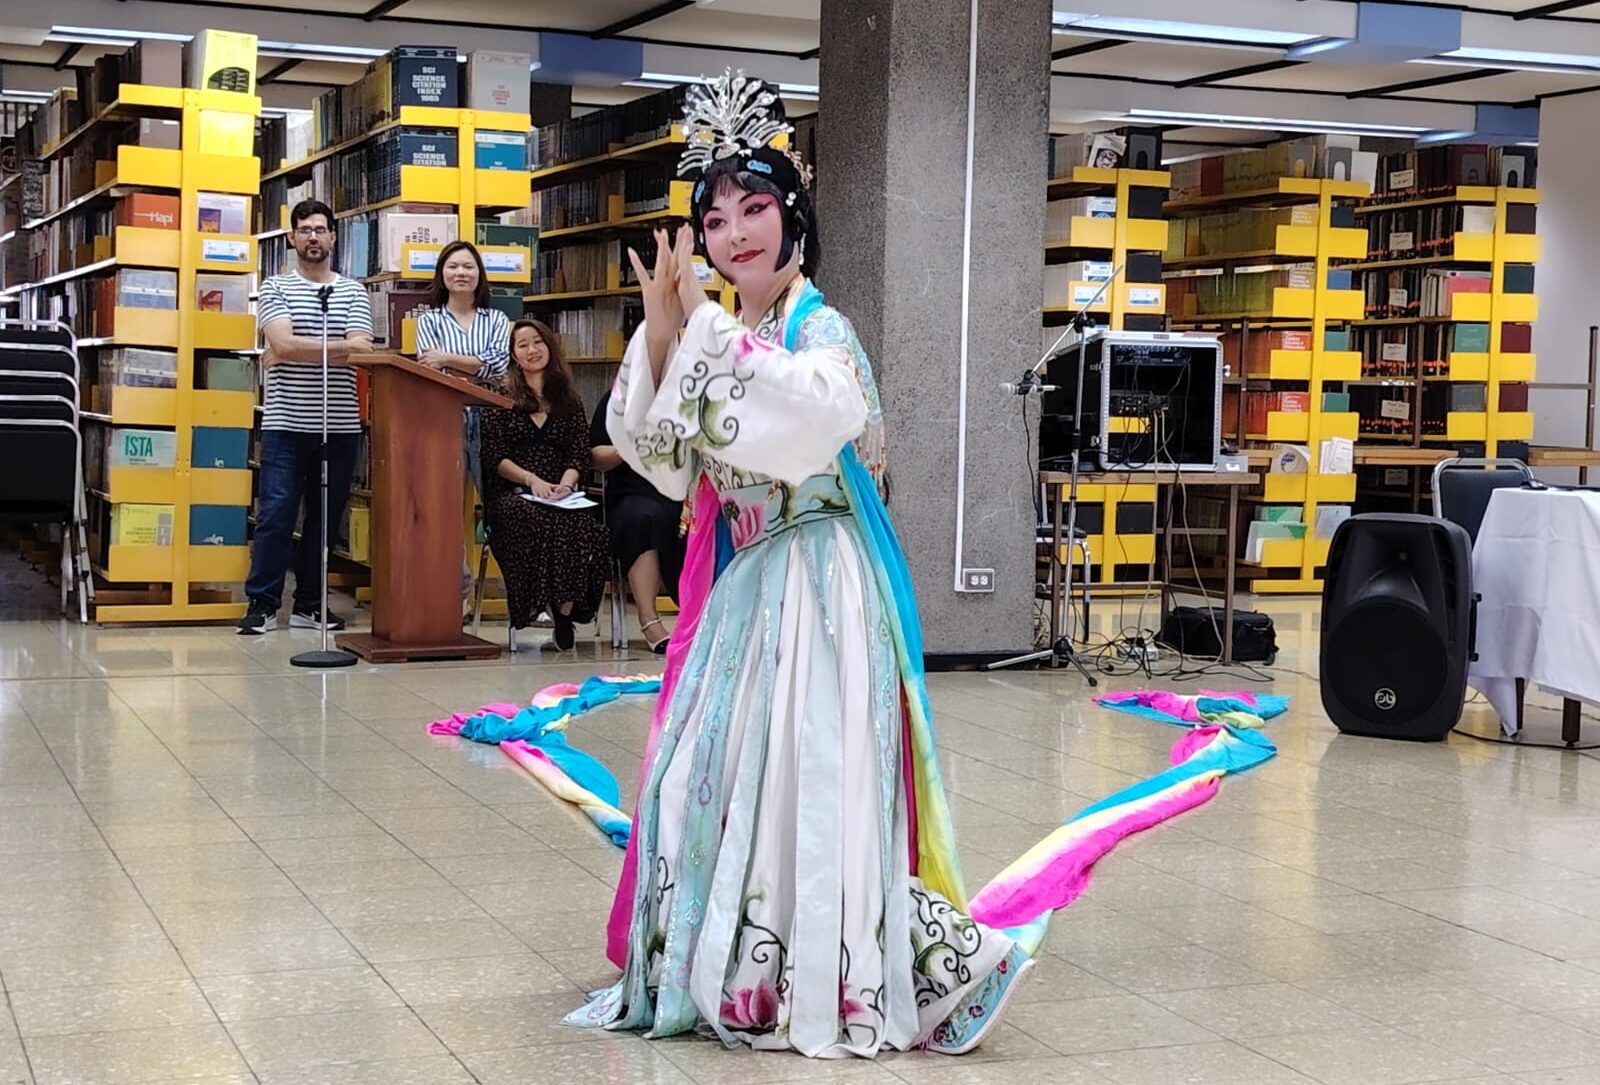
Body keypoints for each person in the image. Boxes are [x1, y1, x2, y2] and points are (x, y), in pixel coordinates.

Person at [567, 73, 1031, 1058]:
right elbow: (662, 455)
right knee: (709, 773)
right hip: (750, 582)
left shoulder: (820, 327)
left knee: (811, 774)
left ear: (793, 220)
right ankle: (740, 958)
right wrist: (658, 341)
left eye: (755, 209)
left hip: (819, 577)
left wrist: (701, 334)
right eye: (716, 218)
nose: (735, 234)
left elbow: (820, 417)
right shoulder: (721, 327)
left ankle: (813, 964)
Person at [238, 198, 374, 635]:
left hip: (339, 425)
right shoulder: (275, 287)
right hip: (285, 424)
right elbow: (289, 341)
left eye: (320, 229)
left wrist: (294, 348)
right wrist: (327, 348)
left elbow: (362, 348)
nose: (313, 237)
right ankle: (261, 604)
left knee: (325, 518)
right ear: (293, 238)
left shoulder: (352, 290)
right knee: (277, 513)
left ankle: (311, 605)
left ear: (333, 237)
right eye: (305, 230)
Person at [480, 319, 610, 649]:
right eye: (522, 345)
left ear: (550, 347)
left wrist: (565, 486)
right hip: (513, 489)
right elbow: (494, 455)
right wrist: (532, 480)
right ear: (513, 354)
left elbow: (579, 452)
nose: (532, 350)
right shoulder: (500, 394)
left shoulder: (568, 398)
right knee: (532, 518)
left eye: (538, 342)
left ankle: (565, 610)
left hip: (560, 489)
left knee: (584, 524)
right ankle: (536, 605)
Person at [414, 240, 512, 598]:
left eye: (468, 267)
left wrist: (448, 359)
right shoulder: (429, 319)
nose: (461, 273)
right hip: (444, 422)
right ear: (442, 273)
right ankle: (455, 593)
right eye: (453, 266)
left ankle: (522, 588)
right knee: (446, 508)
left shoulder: (497, 319)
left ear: (479, 275)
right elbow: (430, 368)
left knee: (502, 505)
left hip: (492, 423)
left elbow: (500, 365)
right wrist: (473, 366)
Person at [590, 387, 683, 654]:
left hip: (680, 492)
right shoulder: (616, 399)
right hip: (631, 493)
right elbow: (594, 456)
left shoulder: (685, 394)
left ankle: (700, 618)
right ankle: (649, 619)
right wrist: (626, 447)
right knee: (644, 518)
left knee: (709, 521)